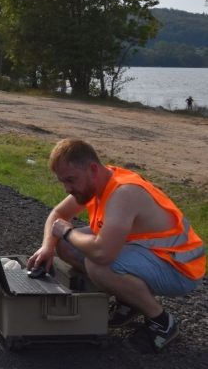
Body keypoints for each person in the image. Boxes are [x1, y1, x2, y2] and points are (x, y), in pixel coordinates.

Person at [28, 138, 205, 352]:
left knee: (98, 264)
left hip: (181, 268)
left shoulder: (123, 193)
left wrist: (67, 231)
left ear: (93, 168)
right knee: (65, 247)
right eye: (63, 182)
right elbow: (58, 214)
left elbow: (102, 253)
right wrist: (48, 246)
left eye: (71, 180)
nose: (68, 188)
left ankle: (162, 322)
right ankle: (130, 299)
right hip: (149, 252)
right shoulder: (95, 183)